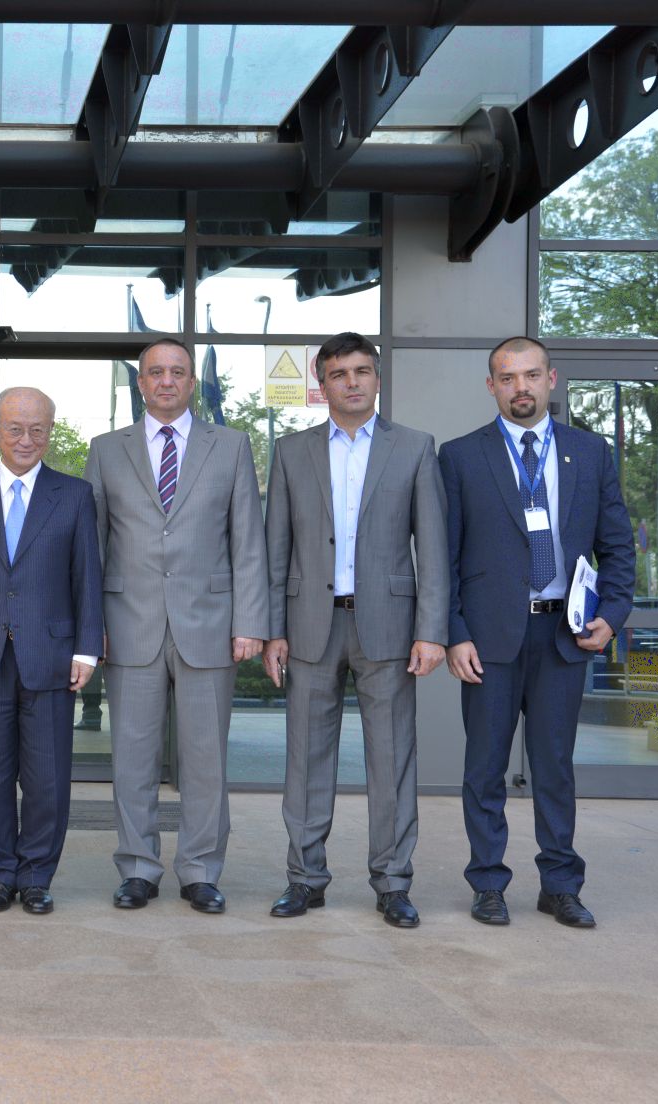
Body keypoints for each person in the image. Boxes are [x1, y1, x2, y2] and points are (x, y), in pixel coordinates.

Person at [440, 336, 634, 928]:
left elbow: (617, 544)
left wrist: (613, 614)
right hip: (489, 640)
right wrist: (454, 632)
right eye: (507, 378)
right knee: (484, 769)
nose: (519, 387)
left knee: (555, 768)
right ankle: (488, 883)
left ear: (551, 379)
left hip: (563, 638)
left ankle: (560, 885)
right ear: (491, 386)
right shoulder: (460, 456)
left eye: (529, 375)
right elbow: (444, 556)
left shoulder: (589, 452)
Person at [262, 332, 449, 928]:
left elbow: (433, 549)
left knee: (391, 760)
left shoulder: (414, 448)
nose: (351, 382)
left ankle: (392, 883)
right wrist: (272, 629)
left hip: (389, 627)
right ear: (322, 385)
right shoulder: (291, 451)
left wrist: (431, 630)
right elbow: (276, 549)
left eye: (361, 371)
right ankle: (304, 879)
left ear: (377, 378)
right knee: (305, 760)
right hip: (309, 626)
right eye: (339, 374)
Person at [85, 337, 267, 915]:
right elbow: (92, 546)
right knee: (132, 759)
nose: (166, 381)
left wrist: (250, 621)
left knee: (205, 761)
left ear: (192, 382)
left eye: (177, 372)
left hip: (210, 624)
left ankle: (200, 871)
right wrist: (91, 627)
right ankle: (138, 868)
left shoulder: (231, 445)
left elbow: (248, 540)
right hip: (127, 624)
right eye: (155, 372)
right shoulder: (106, 449)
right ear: (141, 382)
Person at [0, 386, 102, 914]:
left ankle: (36, 876)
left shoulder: (74, 495)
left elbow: (87, 578)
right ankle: (0, 872)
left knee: (48, 777)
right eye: (15, 428)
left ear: (49, 432)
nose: (26, 439)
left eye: (37, 429)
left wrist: (87, 650)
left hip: (51, 656)